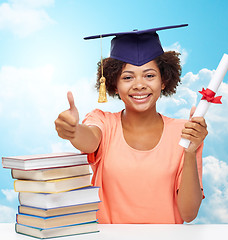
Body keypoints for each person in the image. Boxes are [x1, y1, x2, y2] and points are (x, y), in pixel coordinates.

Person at [54, 25, 208, 224]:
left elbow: (188, 214)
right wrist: (73, 131)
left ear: (164, 80)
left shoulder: (185, 131)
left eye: (149, 75)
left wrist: (189, 151)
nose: (139, 84)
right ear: (113, 85)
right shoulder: (103, 121)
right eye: (127, 77)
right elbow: (90, 140)